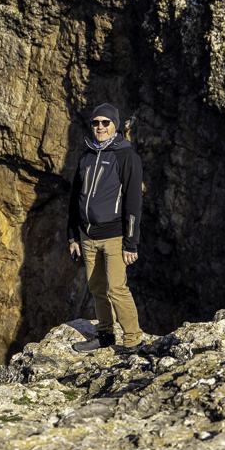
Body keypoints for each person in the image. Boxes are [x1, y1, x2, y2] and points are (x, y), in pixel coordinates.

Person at [67, 103, 144, 352]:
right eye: (95, 122)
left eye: (105, 122)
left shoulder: (126, 156)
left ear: (114, 126)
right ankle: (105, 334)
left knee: (117, 288)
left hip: (114, 236)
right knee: (96, 287)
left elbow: (134, 203)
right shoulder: (86, 156)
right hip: (87, 236)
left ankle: (132, 342)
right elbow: (74, 199)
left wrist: (131, 243)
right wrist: (72, 237)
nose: (99, 127)